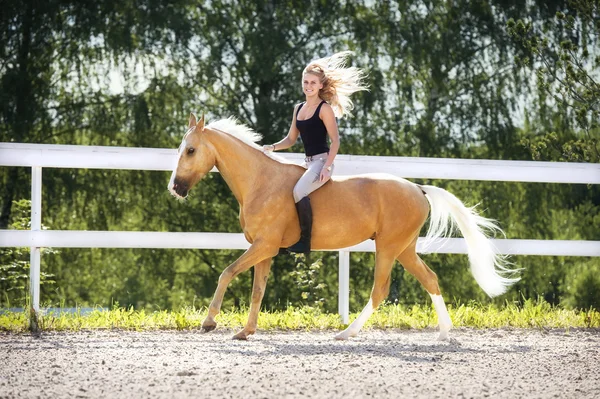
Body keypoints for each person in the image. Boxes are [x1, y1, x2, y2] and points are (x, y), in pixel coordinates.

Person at [263, 51, 368, 254]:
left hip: (321, 161)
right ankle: (288, 238)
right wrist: (272, 147)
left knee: (298, 191)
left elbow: (336, 140)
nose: (308, 86)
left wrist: (327, 166)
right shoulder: (298, 109)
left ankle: (304, 241)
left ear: (320, 85)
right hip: (307, 163)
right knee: (285, 192)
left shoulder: (324, 109)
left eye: (313, 83)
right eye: (306, 82)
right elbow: (291, 139)